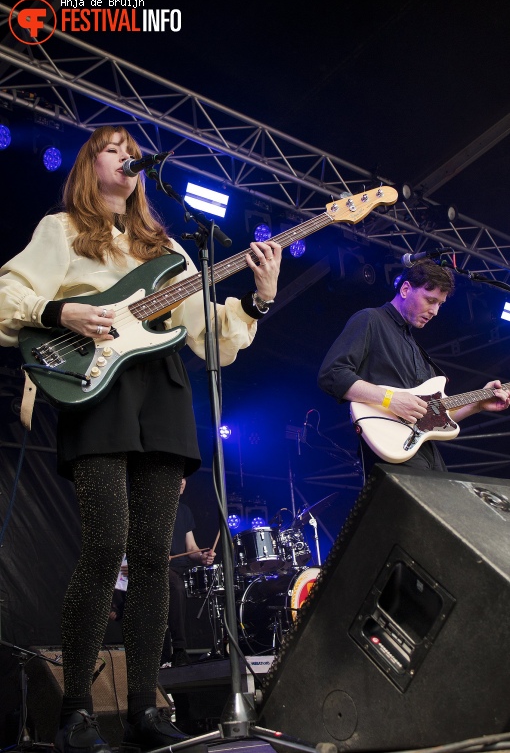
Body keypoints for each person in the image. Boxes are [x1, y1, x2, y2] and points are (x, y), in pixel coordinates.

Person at [0, 125, 281, 753]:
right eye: (111, 147)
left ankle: (143, 713)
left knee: (154, 562)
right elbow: (7, 294)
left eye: (132, 149)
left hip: (163, 392)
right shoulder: (62, 230)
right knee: (106, 551)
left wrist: (259, 301)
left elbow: (208, 335)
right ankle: (74, 710)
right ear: (88, 164)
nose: (126, 156)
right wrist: (60, 311)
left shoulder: (171, 249)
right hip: (97, 387)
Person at [318, 259, 509, 476]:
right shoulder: (371, 319)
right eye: (430, 300)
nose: (435, 311)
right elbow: (332, 374)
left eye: (440, 304)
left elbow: (433, 417)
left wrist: (478, 404)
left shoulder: (415, 348)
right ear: (406, 289)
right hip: (390, 448)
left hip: (425, 451)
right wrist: (390, 399)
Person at [160, 478, 216, 668]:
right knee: (175, 585)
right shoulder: (155, 507)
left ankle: (218, 646)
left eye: (184, 478)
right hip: (160, 568)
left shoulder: (183, 510)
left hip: (182, 567)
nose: (182, 482)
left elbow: (191, 547)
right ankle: (179, 649)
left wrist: (202, 557)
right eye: (178, 477)